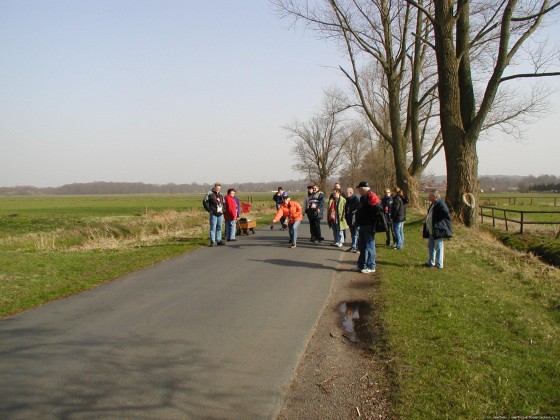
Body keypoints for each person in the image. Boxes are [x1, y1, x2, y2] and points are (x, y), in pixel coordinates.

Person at [354, 181, 381, 273]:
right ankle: (361, 265)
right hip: (362, 224)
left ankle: (371, 266)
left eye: (359, 189)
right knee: (362, 246)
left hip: (369, 225)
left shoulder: (372, 196)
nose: (358, 191)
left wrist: (372, 221)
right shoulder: (363, 197)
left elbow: (377, 209)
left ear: (362, 189)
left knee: (370, 246)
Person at [423, 190, 453, 269]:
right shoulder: (434, 203)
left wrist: (438, 220)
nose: (428, 197)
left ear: (434, 196)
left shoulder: (440, 203)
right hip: (431, 229)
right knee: (431, 246)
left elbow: (446, 212)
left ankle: (439, 264)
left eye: (430, 196)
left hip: (437, 229)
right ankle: (431, 262)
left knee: (438, 247)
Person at [344, 187, 360, 253]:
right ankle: (353, 246)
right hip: (349, 219)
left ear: (351, 192)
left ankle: (357, 247)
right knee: (352, 234)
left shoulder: (356, 198)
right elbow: (346, 209)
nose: (346, 194)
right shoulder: (347, 199)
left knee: (356, 233)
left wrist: (354, 212)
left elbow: (359, 207)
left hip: (355, 219)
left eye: (347, 192)